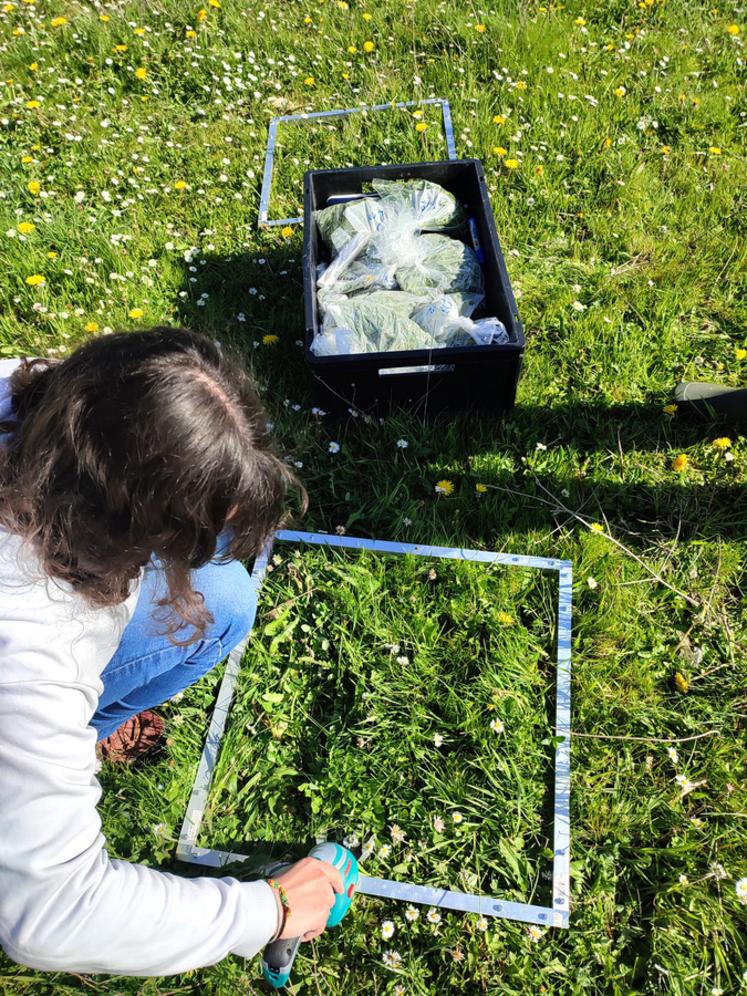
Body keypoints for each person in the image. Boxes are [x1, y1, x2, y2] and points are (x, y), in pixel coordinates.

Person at [0, 328, 342, 976]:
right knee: (212, 605)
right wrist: (267, 910)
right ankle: (46, 764)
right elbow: (53, 913)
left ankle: (62, 751)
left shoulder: (41, 402)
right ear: (115, 527)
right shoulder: (32, 647)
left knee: (221, 597)